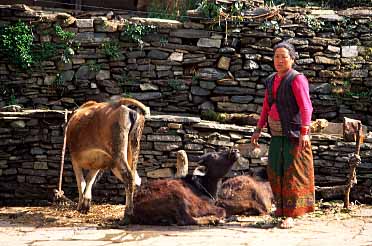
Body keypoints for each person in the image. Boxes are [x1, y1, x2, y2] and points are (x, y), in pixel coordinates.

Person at [251, 41, 315, 229]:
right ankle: (280, 209)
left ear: (292, 59)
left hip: (294, 135)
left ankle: (292, 214)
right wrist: (258, 129)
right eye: (276, 56)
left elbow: (306, 107)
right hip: (277, 135)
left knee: (292, 174)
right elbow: (266, 106)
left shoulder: (297, 79)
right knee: (275, 170)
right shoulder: (271, 80)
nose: (279, 60)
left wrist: (305, 132)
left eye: (283, 57)